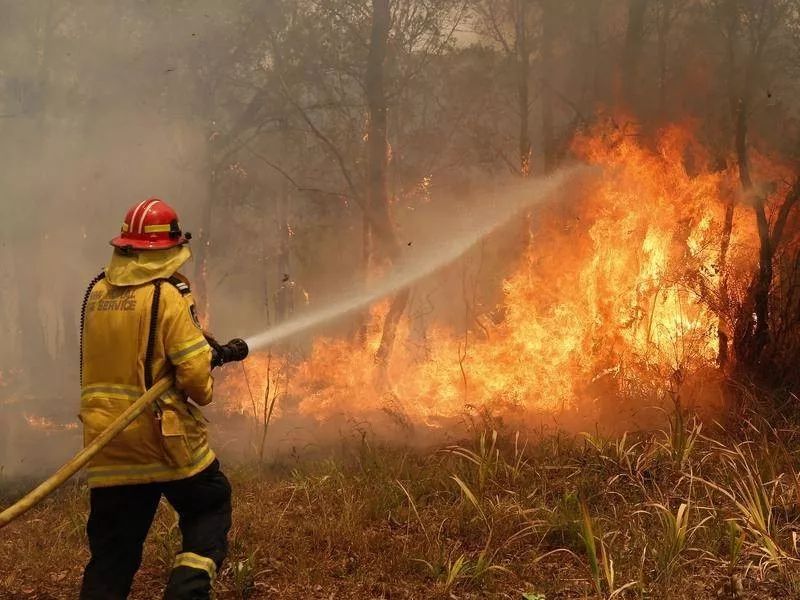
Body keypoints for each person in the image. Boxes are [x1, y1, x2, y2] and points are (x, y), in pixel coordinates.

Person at [79, 198, 231, 600]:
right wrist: (206, 383)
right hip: (164, 438)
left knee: (112, 555)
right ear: (169, 248)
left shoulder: (97, 292)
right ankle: (187, 591)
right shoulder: (168, 294)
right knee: (208, 506)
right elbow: (194, 375)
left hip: (108, 442)